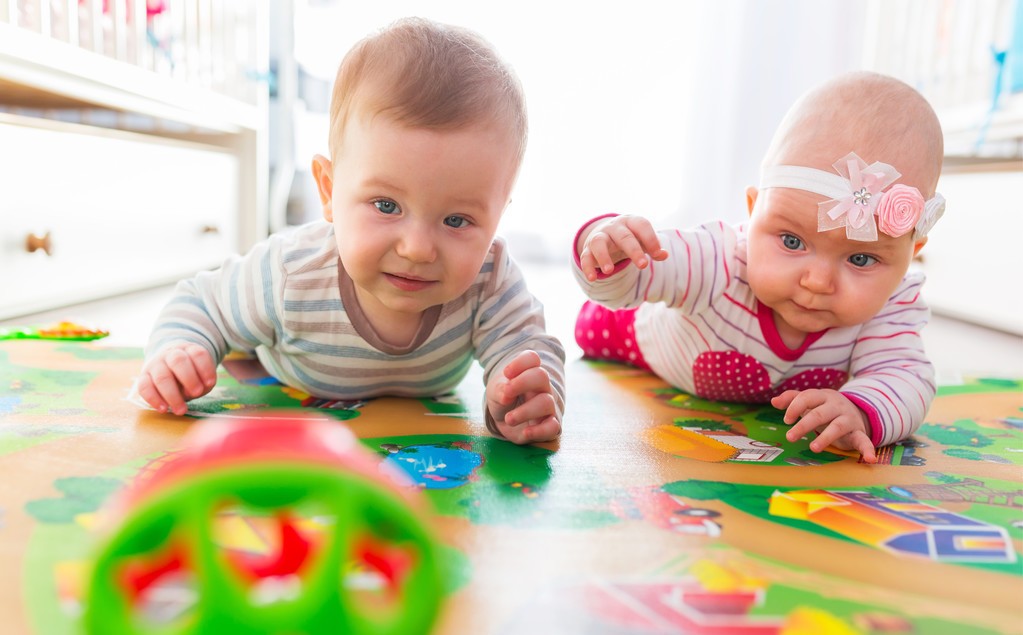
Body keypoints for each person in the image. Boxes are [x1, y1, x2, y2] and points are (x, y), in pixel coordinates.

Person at [137, 17, 566, 444]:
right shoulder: (289, 274)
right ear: (328, 190)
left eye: (457, 220)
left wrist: (522, 396)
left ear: (497, 218)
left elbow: (528, 348)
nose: (417, 249)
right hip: (286, 415)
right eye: (386, 205)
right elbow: (201, 302)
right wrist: (179, 353)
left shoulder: (490, 279)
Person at [572, 71, 945, 463]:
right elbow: (648, 263)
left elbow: (906, 376)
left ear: (911, 252)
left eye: (860, 258)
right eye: (791, 241)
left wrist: (863, 412)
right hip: (650, 341)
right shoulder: (720, 258)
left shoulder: (890, 304)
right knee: (602, 312)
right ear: (753, 213)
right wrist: (609, 250)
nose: (817, 282)